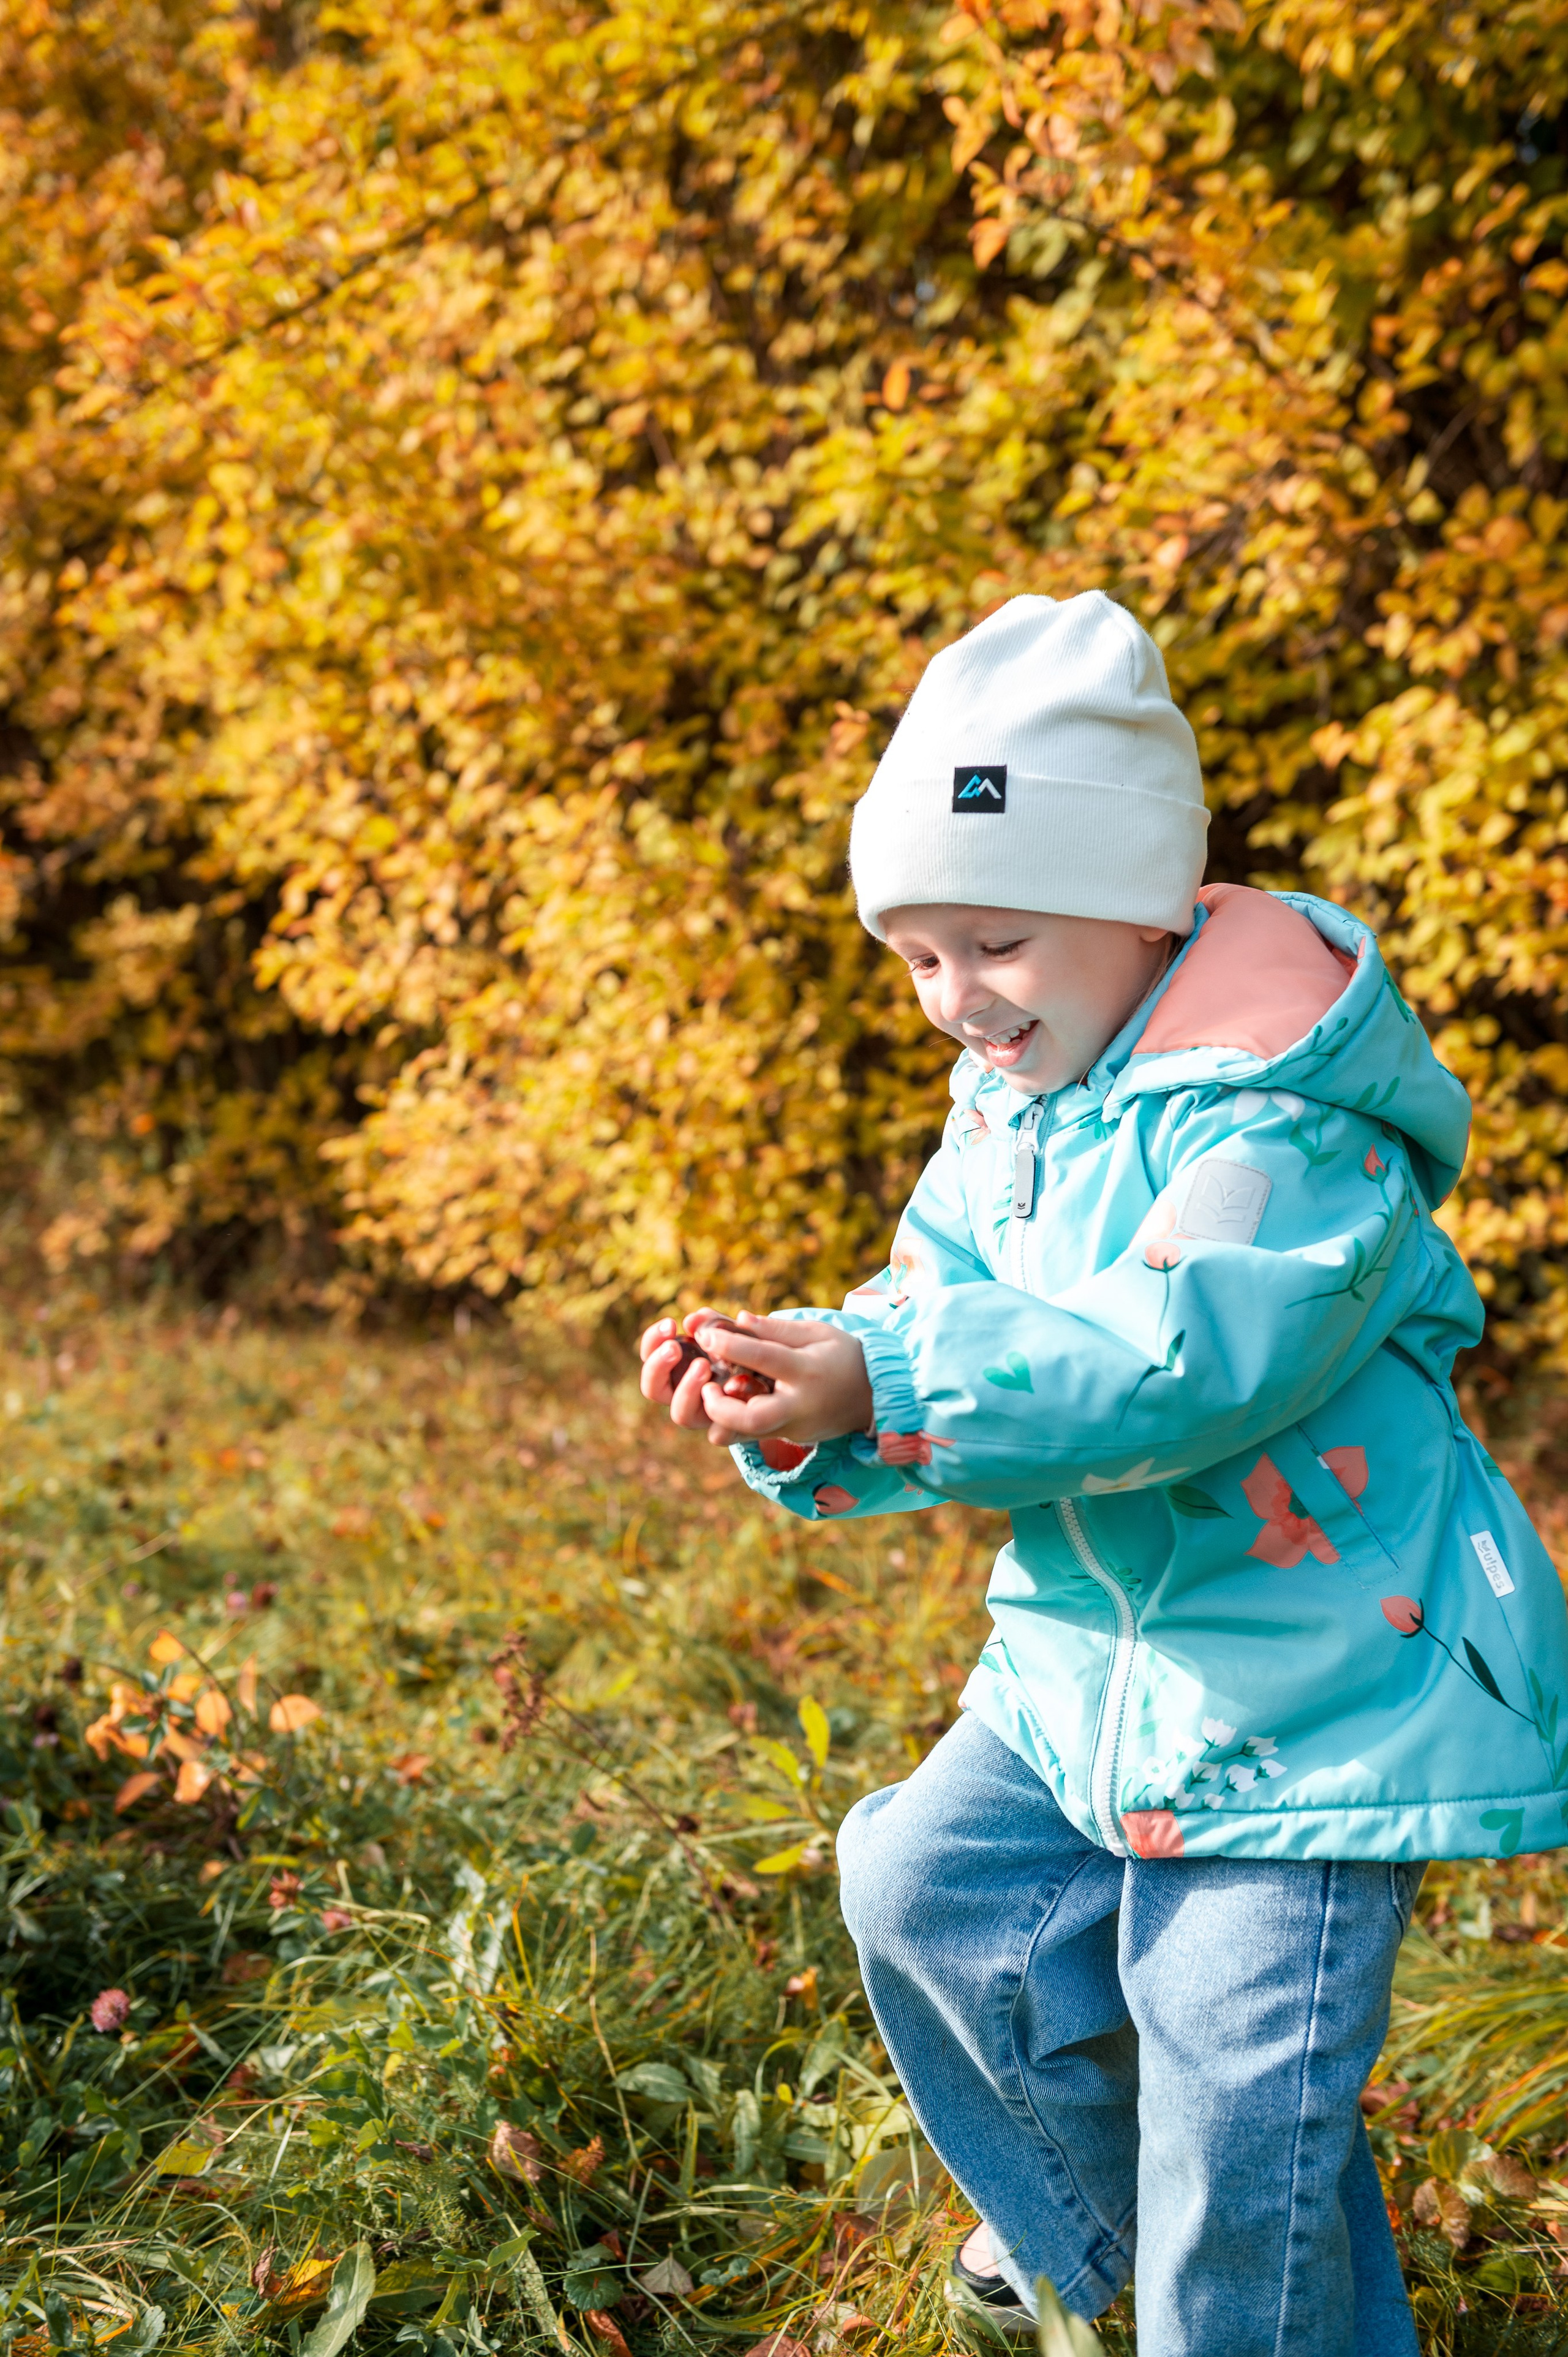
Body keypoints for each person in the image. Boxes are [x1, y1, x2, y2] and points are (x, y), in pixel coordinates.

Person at [638, 592, 1568, 2356]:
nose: (953, 1000)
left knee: (1235, 2072)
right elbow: (942, 1314)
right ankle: (1111, 2247)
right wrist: (810, 1390)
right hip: (1091, 1659)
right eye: (915, 957)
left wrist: (890, 1375)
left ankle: (1237, 2300)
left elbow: (1181, 1360)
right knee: (925, 1889)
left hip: (1315, 1690)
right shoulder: (1023, 1102)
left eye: (994, 941)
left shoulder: (1280, 1125)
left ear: (1142, 907)